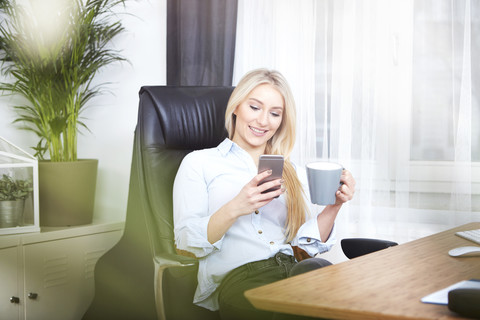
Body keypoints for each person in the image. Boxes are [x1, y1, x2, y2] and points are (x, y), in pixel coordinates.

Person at [173, 68, 356, 320]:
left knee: (335, 288)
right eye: (255, 107)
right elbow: (186, 243)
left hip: (294, 270)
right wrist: (237, 206)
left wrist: (334, 206)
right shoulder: (200, 163)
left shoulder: (291, 172)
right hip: (242, 279)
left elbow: (306, 246)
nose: (263, 121)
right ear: (236, 106)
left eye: (274, 113)